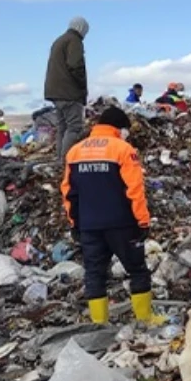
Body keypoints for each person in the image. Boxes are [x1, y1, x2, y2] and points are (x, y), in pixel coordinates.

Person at [61, 107, 155, 324]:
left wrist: (75, 223)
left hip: (89, 225)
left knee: (94, 274)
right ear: (119, 128)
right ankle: (145, 320)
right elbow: (135, 189)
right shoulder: (123, 149)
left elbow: (68, 192)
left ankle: (99, 324)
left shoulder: (75, 151)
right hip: (122, 223)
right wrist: (142, 220)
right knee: (137, 270)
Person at [45, 16, 90, 163]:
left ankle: (59, 158)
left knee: (62, 127)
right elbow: (76, 66)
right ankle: (66, 160)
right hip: (69, 92)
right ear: (82, 29)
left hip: (55, 92)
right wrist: (82, 88)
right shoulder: (74, 41)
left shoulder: (59, 41)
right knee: (74, 127)